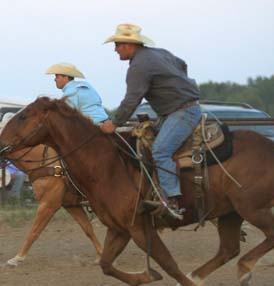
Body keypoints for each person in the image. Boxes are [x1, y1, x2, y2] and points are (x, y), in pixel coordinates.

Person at [100, 24, 202, 218]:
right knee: (146, 142)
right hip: (177, 110)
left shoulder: (138, 66)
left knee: (160, 150)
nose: (115, 49)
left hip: (181, 113)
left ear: (129, 45)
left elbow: (132, 100)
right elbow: (183, 64)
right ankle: (153, 189)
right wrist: (179, 86)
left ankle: (172, 200)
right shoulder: (159, 53)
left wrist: (114, 123)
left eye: (118, 45)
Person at [45, 63, 112, 125]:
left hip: (92, 126)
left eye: (57, 76)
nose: (55, 79)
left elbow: (67, 117)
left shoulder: (69, 93)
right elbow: (99, 100)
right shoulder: (86, 84)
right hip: (107, 121)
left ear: (66, 77)